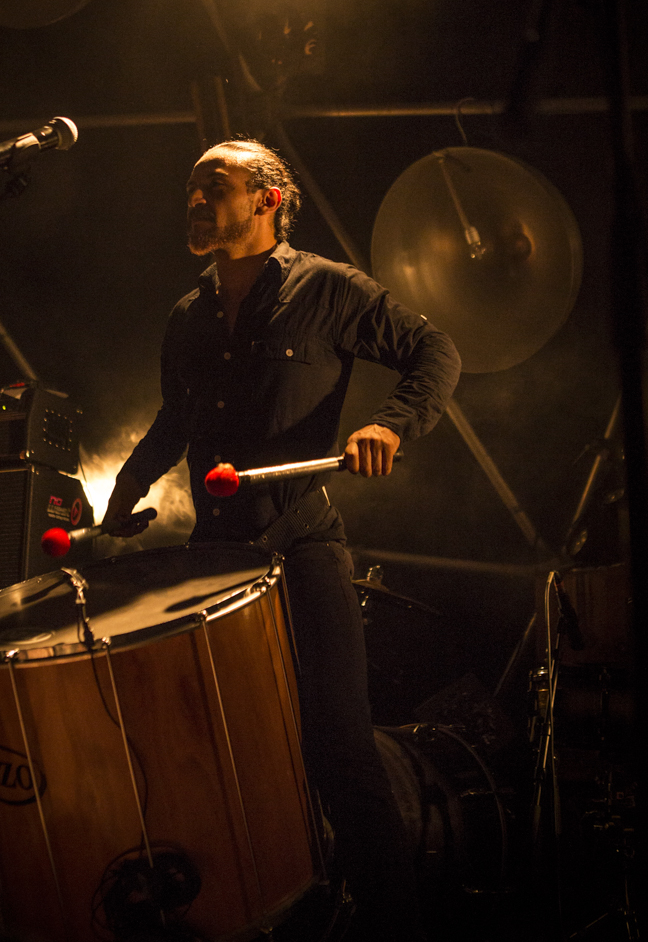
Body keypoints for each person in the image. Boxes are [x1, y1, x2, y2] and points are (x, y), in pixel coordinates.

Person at [103, 138, 461, 941]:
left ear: (267, 199)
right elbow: (174, 420)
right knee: (216, 755)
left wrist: (390, 425)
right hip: (214, 566)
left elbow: (436, 352)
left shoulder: (328, 289)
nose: (196, 200)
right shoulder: (187, 317)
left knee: (340, 751)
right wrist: (125, 491)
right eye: (191, 187)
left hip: (301, 548)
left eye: (214, 186)